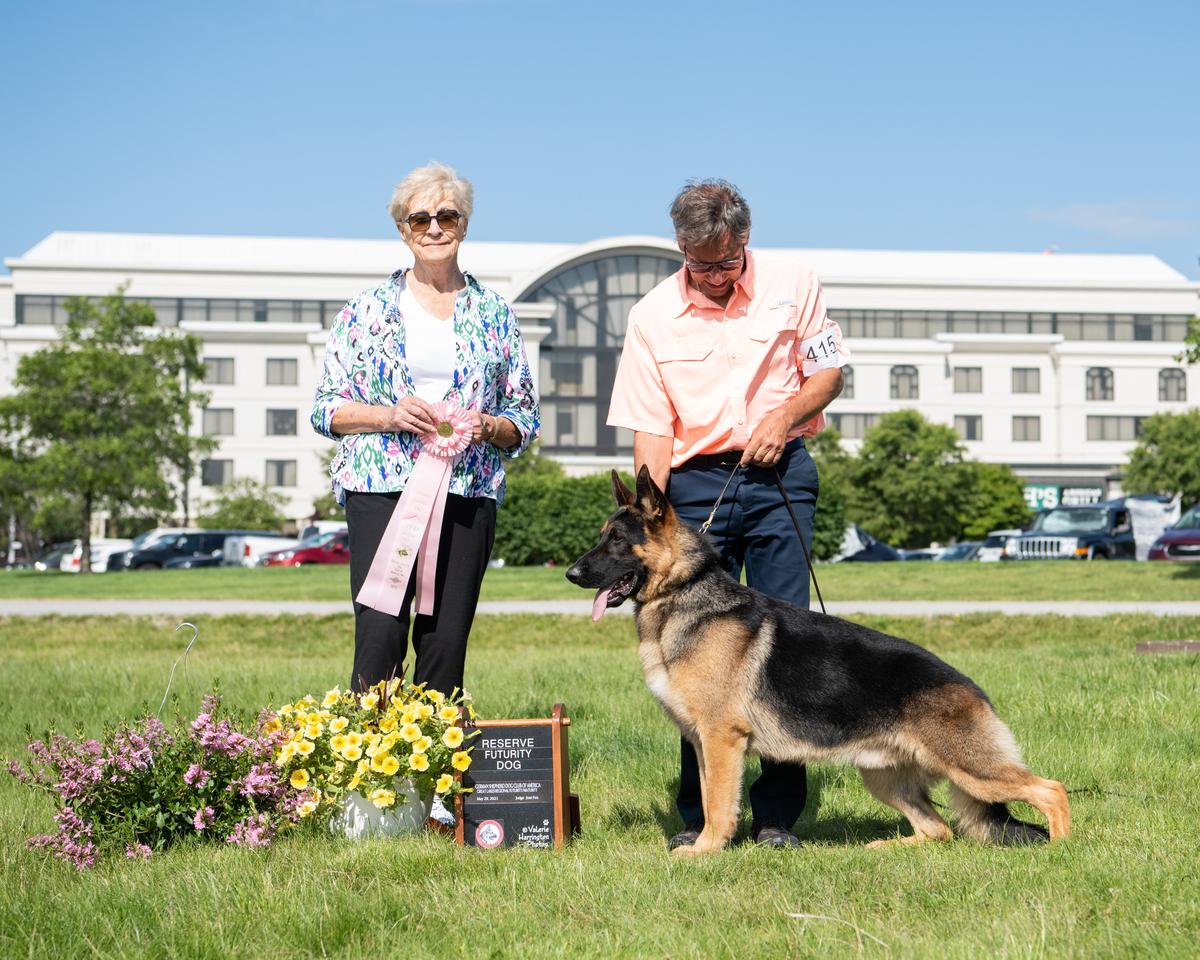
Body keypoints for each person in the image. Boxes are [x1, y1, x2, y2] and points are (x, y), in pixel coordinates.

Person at [607, 179, 848, 849]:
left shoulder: (795, 283)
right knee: (695, 650)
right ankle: (701, 820)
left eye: (725, 260)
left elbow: (829, 374)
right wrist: (648, 512)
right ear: (680, 246)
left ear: (745, 240)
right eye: (698, 261)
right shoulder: (651, 315)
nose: (713, 275)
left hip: (780, 475)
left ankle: (776, 818)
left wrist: (785, 415)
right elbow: (651, 432)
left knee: (782, 651)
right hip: (691, 485)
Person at [311, 162, 539, 697]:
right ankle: (367, 766)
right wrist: (386, 415)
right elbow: (326, 409)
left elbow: (524, 417)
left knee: (445, 639)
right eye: (420, 219)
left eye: (447, 216)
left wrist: (491, 426)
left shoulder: (496, 313)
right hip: (381, 488)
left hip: (468, 489)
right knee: (379, 632)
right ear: (402, 230)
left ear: (464, 224)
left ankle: (437, 774)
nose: (434, 228)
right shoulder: (363, 312)